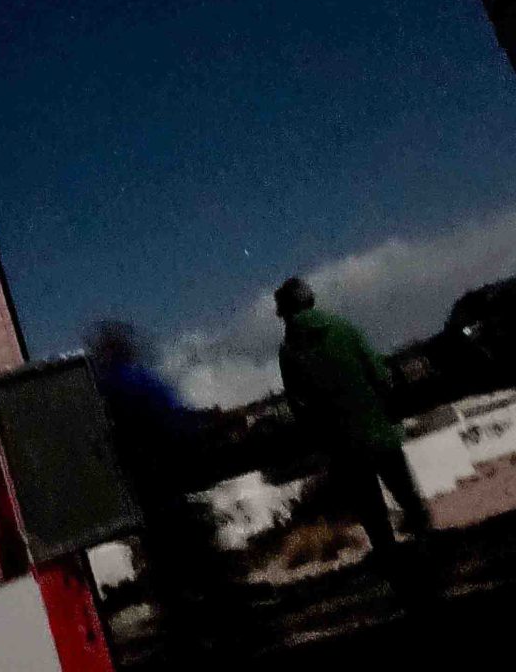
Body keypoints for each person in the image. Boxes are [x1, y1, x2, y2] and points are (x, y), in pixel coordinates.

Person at [274, 278, 435, 595]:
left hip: (342, 447)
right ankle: (432, 557)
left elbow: (299, 405)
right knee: (409, 499)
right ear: (311, 300)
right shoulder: (343, 328)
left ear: (284, 311)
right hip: (378, 431)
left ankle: (400, 582)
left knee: (374, 518)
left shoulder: (289, 351)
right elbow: (380, 374)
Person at [88, 322, 239, 656]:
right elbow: (173, 423)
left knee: (169, 581)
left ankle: (186, 639)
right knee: (204, 569)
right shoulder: (138, 381)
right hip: (168, 492)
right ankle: (232, 631)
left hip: (141, 500)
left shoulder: (98, 392)